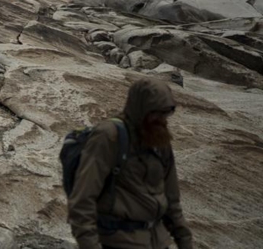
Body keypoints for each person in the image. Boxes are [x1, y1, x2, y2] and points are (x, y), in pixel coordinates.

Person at [68, 77, 194, 249]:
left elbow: (172, 201)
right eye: (156, 113)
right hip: (119, 242)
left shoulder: (159, 140)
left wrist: (184, 240)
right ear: (141, 109)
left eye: (166, 113)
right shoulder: (109, 136)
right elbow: (82, 201)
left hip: (157, 241)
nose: (162, 120)